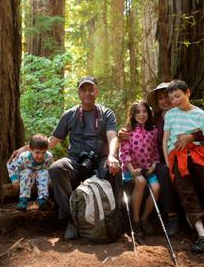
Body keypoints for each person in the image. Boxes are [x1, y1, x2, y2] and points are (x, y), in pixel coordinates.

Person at [10, 76, 121, 239]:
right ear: (79, 93)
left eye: (91, 89)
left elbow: (113, 137)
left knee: (114, 169)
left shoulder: (106, 113)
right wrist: (25, 148)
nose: (87, 93)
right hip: (76, 160)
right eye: (83, 90)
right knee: (56, 168)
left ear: (97, 91)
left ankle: (115, 219)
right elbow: (51, 141)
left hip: (100, 159)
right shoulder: (70, 114)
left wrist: (112, 155)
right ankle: (71, 219)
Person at [163, 79, 204, 254]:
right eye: (172, 98)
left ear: (188, 93)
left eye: (178, 96)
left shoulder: (199, 114)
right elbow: (165, 140)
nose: (175, 101)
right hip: (177, 156)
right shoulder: (170, 114)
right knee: (186, 192)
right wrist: (170, 163)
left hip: (199, 154)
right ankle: (202, 235)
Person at [146, 82, 204, 236]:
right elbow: (139, 128)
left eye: (167, 97)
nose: (164, 101)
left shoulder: (185, 112)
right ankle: (173, 217)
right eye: (160, 98)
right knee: (165, 174)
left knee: (194, 172)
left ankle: (201, 215)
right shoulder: (155, 118)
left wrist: (192, 137)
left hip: (185, 155)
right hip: (161, 158)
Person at [119, 100, 160, 244]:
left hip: (148, 170)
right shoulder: (127, 131)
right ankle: (135, 221)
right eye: (138, 112)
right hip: (131, 170)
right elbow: (124, 153)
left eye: (144, 112)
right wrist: (131, 169)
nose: (142, 115)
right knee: (141, 182)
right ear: (133, 114)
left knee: (156, 188)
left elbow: (155, 151)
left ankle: (144, 218)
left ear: (149, 113)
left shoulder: (153, 131)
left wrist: (154, 166)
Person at [7, 134, 53, 211]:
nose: (40, 156)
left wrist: (51, 180)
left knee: (44, 172)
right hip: (26, 175)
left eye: (43, 152)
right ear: (30, 150)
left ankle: (43, 200)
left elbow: (51, 168)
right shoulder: (23, 157)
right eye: (37, 152)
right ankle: (23, 201)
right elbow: (10, 165)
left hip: (41, 176)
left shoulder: (48, 157)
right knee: (27, 172)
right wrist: (14, 178)